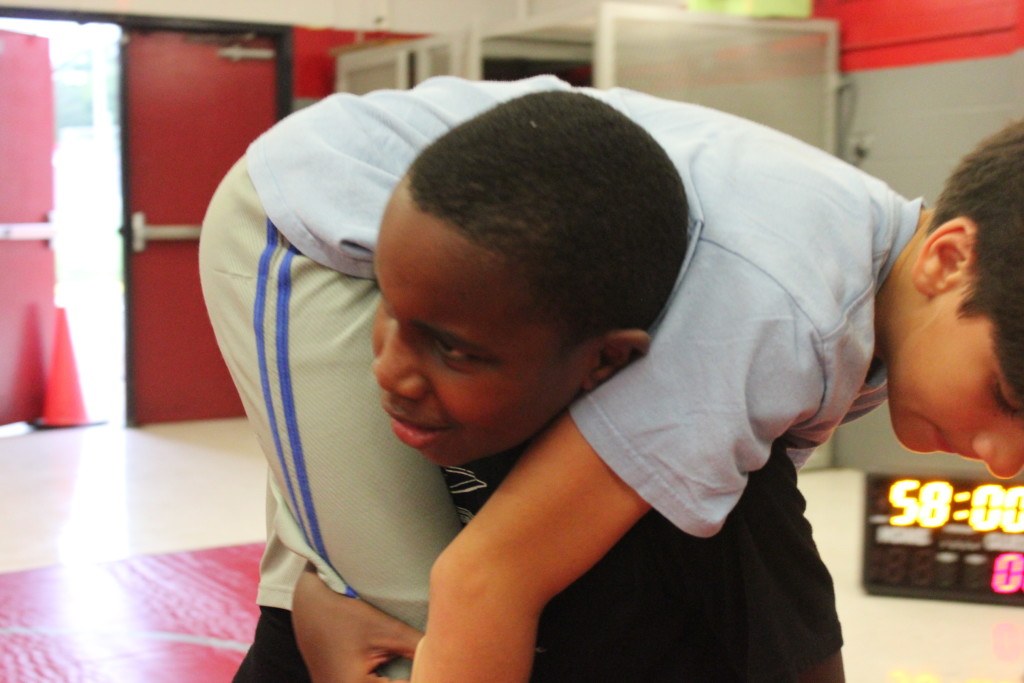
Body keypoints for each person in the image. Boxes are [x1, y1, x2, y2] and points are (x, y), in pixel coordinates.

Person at [199, 76, 1024, 681]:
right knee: (410, 628)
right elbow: (486, 578)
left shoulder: (860, 301)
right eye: (1006, 397)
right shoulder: (780, 314)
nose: (1006, 460)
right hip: (314, 227)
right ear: (948, 258)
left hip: (469, 277)